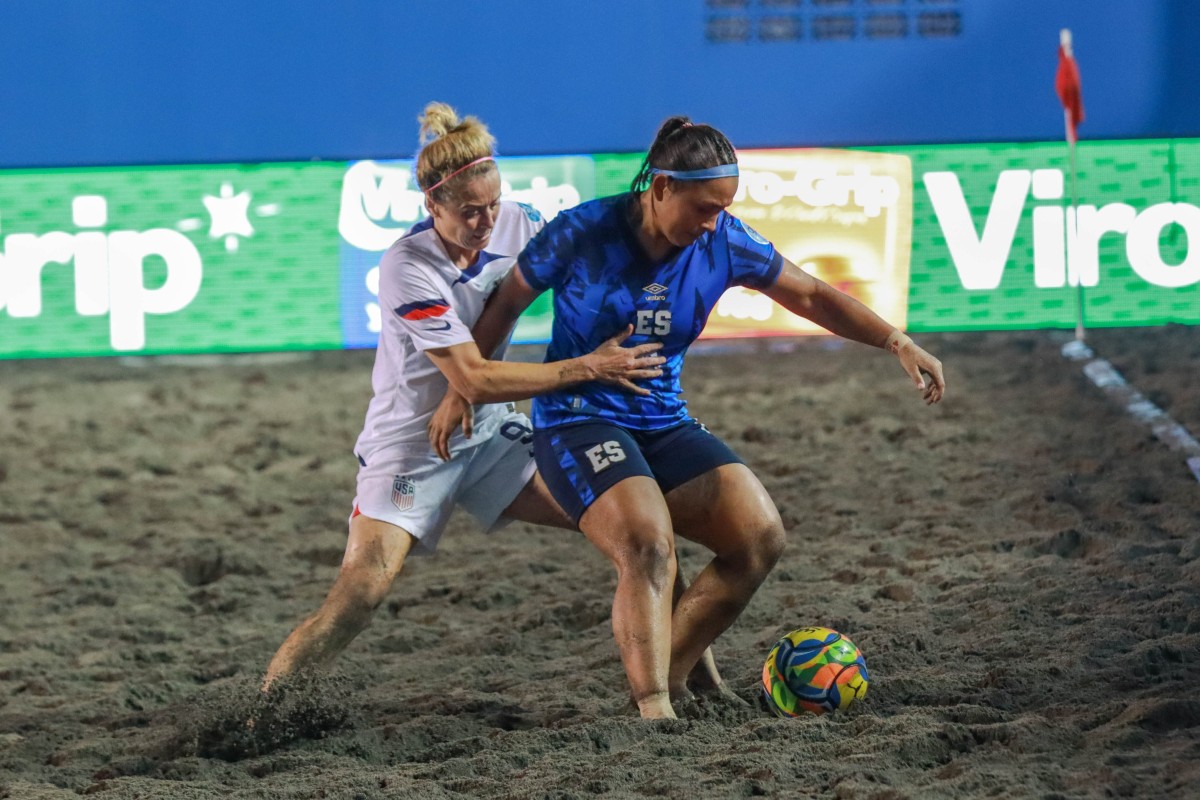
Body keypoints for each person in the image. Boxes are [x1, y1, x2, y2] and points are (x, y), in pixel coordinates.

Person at [461, 116, 946, 719]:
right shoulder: (582, 231)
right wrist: (467, 390)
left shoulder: (723, 241)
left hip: (664, 419)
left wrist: (897, 342)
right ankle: (655, 708)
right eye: (704, 207)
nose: (714, 222)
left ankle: (670, 670)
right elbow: (504, 306)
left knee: (759, 539)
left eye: (724, 208)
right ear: (661, 188)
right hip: (577, 418)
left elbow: (813, 296)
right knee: (648, 544)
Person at [261, 103, 666, 690]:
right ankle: (264, 713)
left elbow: (595, 249)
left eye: (493, 205)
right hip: (411, 445)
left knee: (640, 534)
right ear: (433, 206)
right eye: (470, 212)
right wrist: (585, 368)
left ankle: (686, 683)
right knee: (360, 594)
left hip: (491, 434)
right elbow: (473, 376)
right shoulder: (407, 264)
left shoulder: (518, 221)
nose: (485, 223)